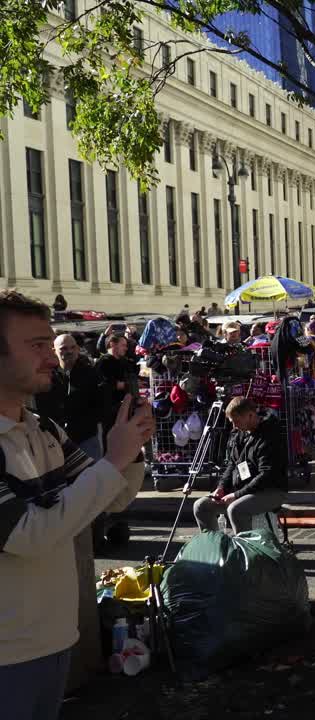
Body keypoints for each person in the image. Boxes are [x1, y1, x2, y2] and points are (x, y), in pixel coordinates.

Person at [0, 290, 152, 720]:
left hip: (54, 641)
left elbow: (114, 496)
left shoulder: (43, 429)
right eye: (37, 345)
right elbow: (29, 535)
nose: (52, 356)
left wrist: (133, 446)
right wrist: (115, 458)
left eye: (52, 343)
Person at [192, 398, 288, 534]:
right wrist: (221, 487)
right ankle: (215, 547)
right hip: (243, 489)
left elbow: (267, 475)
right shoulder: (239, 434)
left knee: (236, 509)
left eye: (236, 421)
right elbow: (232, 464)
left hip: (270, 490)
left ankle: (244, 551)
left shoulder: (270, 436)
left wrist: (236, 495)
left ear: (250, 415)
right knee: (201, 506)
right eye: (232, 422)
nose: (234, 426)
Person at [35, 334, 108, 460]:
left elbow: (103, 404)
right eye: (64, 348)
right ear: (54, 351)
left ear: (78, 349)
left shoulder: (91, 373)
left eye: (72, 347)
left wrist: (86, 421)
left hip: (85, 438)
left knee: (91, 476)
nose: (69, 351)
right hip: (53, 439)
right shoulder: (45, 374)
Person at [96, 334, 138, 442]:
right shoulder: (104, 362)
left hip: (122, 407)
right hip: (110, 410)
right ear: (112, 344)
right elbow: (103, 385)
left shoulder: (122, 361)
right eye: (123, 345)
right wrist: (125, 385)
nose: (126, 348)